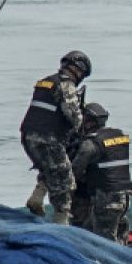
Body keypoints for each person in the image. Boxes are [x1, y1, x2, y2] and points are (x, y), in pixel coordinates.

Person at [20, 51, 90, 225]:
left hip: (28, 137)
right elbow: (74, 116)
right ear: (78, 69)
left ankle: (37, 196)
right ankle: (61, 221)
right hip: (49, 140)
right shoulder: (66, 84)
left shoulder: (45, 81)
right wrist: (79, 128)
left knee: (51, 168)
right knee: (66, 181)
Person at [70, 102, 132, 243]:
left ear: (88, 122)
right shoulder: (119, 135)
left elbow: (74, 172)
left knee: (104, 244)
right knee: (89, 232)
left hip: (106, 200)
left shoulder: (91, 143)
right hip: (125, 197)